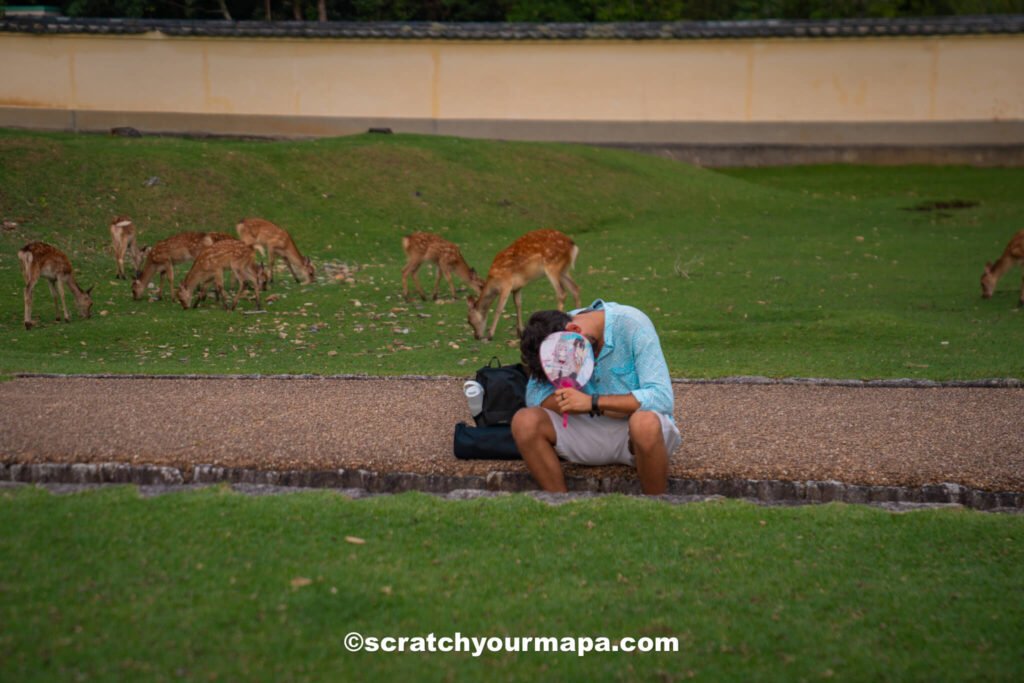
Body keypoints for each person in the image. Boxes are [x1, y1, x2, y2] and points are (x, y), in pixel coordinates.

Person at [512, 299, 681, 495]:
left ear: (575, 329)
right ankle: (560, 505)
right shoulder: (552, 337)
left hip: (636, 434)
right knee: (525, 421)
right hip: (587, 430)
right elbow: (534, 395)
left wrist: (593, 403)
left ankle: (657, 508)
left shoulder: (632, 324)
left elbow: (661, 398)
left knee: (644, 423)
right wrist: (569, 401)